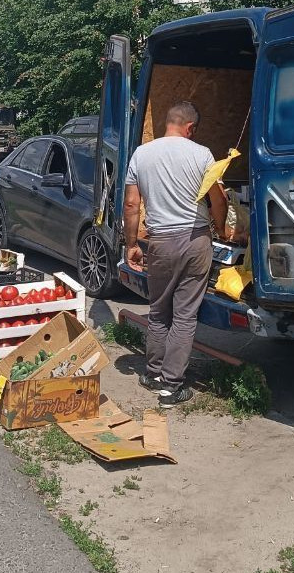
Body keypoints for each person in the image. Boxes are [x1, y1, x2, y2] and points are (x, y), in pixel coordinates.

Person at [123, 101, 227, 408]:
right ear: (190, 127)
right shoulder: (202, 154)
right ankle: (171, 387)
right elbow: (217, 199)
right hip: (195, 241)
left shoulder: (141, 154)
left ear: (168, 123)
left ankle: (153, 373)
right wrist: (220, 228)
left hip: (160, 242)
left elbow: (131, 205)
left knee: (158, 311)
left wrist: (131, 244)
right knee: (184, 315)